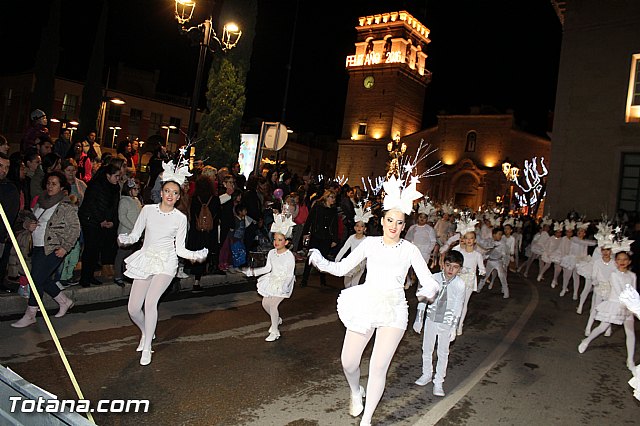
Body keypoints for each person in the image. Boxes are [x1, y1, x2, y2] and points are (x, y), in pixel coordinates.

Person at [308, 177, 440, 426]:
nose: (394, 226)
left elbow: (429, 280)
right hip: (367, 302)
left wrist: (428, 291)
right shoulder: (369, 244)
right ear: (382, 221)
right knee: (348, 361)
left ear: (404, 226)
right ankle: (356, 391)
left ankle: (366, 420)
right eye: (390, 220)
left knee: (379, 368)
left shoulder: (409, 250)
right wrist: (320, 261)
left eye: (399, 222)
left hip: (394, 310)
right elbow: (341, 268)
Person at [117, 160, 208, 365]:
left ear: (178, 196)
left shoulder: (180, 218)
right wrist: (124, 239)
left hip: (167, 262)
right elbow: (134, 236)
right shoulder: (147, 210)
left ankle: (147, 346)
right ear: (162, 191)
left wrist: (195, 255)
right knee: (133, 308)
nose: (170, 195)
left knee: (150, 303)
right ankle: (146, 332)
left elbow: (181, 249)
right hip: (147, 258)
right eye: (167, 190)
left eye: (174, 193)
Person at [11, 171, 80, 328]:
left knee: (36, 280)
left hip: (53, 249)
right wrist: (27, 226)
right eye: (49, 183)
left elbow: (75, 228)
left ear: (62, 187)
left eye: (54, 184)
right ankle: (64, 301)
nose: (50, 186)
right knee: (42, 278)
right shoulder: (40, 202)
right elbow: (29, 221)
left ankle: (31, 314)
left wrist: (65, 247)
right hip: (36, 247)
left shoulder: (65, 206)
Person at [414, 250, 466, 396]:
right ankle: (427, 374)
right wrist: (419, 318)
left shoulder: (460, 285)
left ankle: (439, 381)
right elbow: (424, 298)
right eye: (448, 265)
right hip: (431, 318)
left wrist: (454, 327)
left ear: (459, 269)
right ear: (443, 264)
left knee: (443, 352)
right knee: (427, 348)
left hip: (446, 322)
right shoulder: (434, 278)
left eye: (455, 267)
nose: (450, 270)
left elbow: (458, 306)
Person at [578, 246, 636, 371]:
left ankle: (630, 360)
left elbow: (633, 291)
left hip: (627, 307)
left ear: (629, 261)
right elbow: (620, 291)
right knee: (602, 327)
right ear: (616, 261)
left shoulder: (632, 276)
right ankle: (586, 341)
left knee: (630, 333)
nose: (622, 261)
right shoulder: (614, 275)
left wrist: (635, 305)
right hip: (615, 305)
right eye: (619, 259)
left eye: (625, 259)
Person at [243, 213, 296, 341]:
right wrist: (253, 272)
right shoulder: (272, 252)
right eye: (275, 239)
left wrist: (285, 285)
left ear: (286, 242)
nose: (276, 242)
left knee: (273, 305)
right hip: (272, 280)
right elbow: (268, 268)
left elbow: (289, 274)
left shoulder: (289, 256)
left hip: (284, 282)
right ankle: (277, 319)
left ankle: (275, 331)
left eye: (280, 240)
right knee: (265, 303)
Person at [77, 163, 121, 287]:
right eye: (116, 176)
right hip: (91, 221)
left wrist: (112, 221)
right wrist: (100, 219)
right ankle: (85, 277)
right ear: (108, 175)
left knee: (97, 250)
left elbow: (114, 206)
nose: (118, 179)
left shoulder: (115, 188)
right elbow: (91, 205)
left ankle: (91, 276)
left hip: (105, 223)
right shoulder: (96, 186)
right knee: (90, 249)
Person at [301, 189, 339, 287]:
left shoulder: (333, 210)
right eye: (332, 197)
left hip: (327, 237)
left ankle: (323, 280)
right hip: (316, 235)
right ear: (327, 197)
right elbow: (310, 219)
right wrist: (305, 232)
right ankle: (304, 280)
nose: (333, 200)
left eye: (334, 198)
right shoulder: (318, 207)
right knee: (310, 257)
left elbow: (335, 225)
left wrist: (335, 239)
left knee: (323, 258)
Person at [114, 179, 143, 287]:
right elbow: (122, 217)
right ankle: (118, 275)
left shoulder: (137, 200)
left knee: (130, 254)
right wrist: (133, 228)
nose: (137, 191)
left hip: (134, 233)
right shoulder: (124, 201)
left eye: (138, 189)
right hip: (125, 233)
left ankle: (127, 274)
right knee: (121, 254)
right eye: (134, 189)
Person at [335, 206, 371, 288]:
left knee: (355, 284)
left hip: (360, 264)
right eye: (357, 226)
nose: (359, 228)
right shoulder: (351, 238)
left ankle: (352, 298)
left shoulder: (366, 240)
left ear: (365, 229)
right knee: (347, 283)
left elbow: (368, 254)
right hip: (350, 262)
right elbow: (344, 249)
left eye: (362, 226)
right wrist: (337, 260)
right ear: (354, 227)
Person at [477, 227, 510, 298]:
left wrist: (504, 264)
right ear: (494, 235)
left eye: (501, 234)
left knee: (502, 277)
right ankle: (479, 288)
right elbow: (484, 245)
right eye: (499, 234)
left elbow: (504, 254)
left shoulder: (502, 243)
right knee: (485, 276)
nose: (500, 236)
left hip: (498, 262)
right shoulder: (490, 241)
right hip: (490, 261)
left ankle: (505, 292)